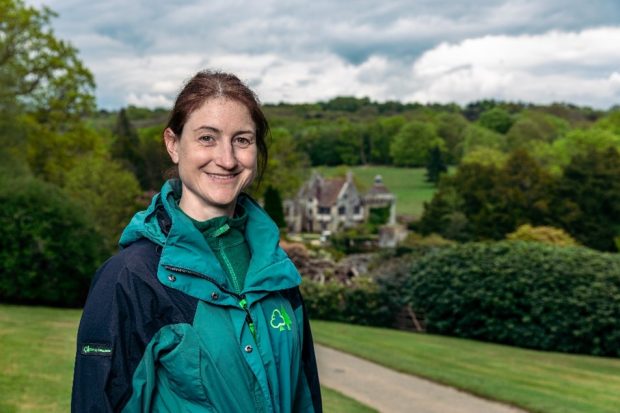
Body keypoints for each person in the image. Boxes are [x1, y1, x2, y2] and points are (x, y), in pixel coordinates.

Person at [71, 70, 322, 412]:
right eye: (207, 138)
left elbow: (305, 400)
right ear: (173, 144)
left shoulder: (276, 272)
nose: (227, 159)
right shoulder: (131, 277)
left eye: (242, 140)